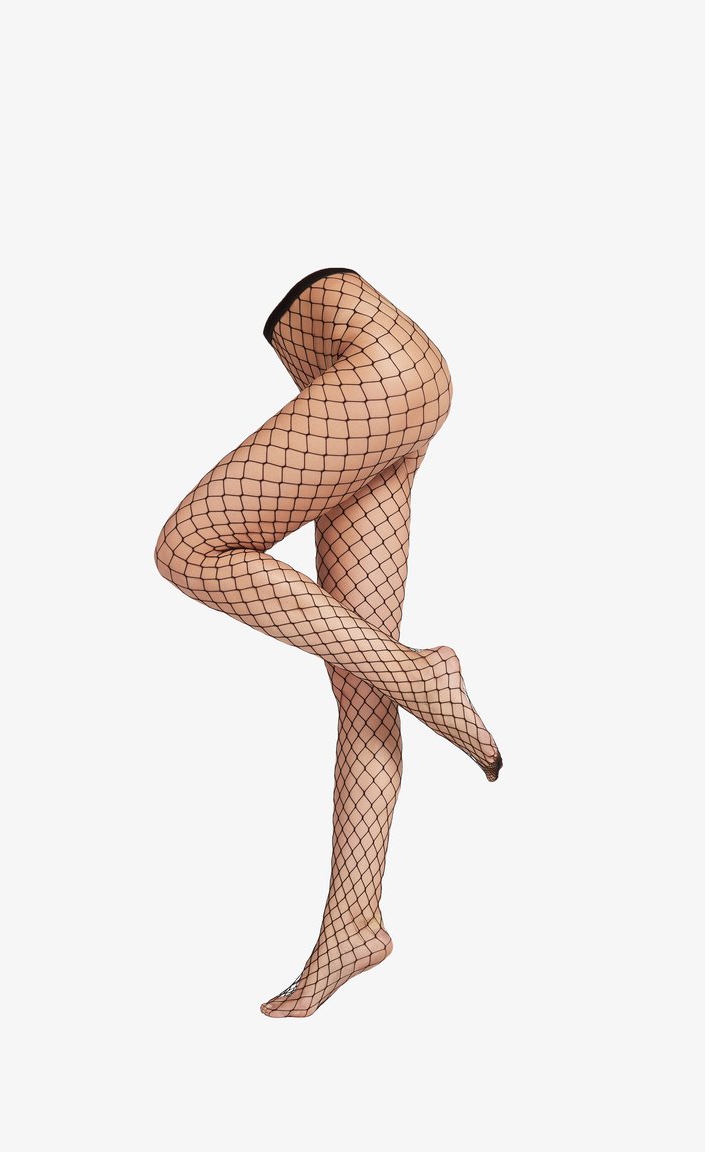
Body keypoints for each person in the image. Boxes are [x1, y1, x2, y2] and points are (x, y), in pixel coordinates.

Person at [154, 266, 502, 1018]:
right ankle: (353, 923)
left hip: (379, 373)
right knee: (360, 682)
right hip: (375, 388)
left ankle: (419, 676)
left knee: (189, 548)